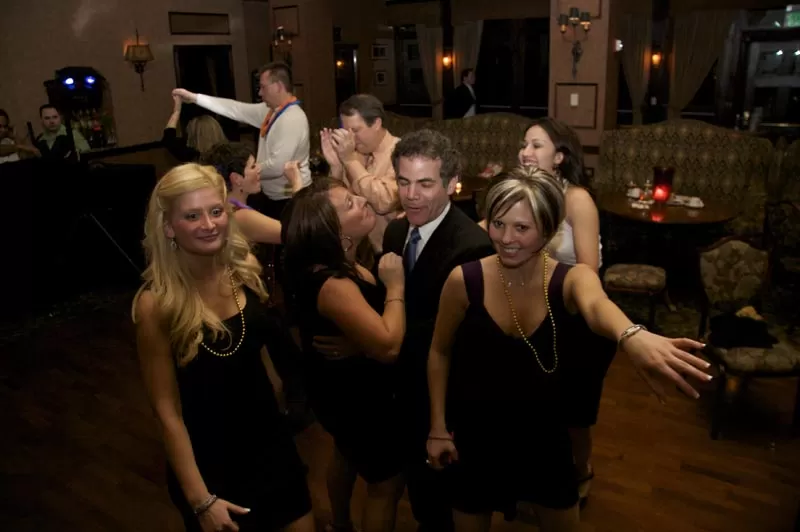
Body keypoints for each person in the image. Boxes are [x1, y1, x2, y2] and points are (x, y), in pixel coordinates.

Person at [426, 167, 711, 532]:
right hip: (477, 436)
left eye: (522, 228)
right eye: (498, 224)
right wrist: (437, 427)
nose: (506, 239)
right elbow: (439, 352)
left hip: (544, 439)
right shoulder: (463, 280)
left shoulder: (571, 278)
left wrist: (631, 334)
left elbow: (596, 305)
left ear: (549, 230)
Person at [132, 163, 315, 532]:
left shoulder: (243, 269)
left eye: (216, 211)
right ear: (169, 227)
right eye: (192, 216)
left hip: (271, 446)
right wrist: (200, 500)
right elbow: (167, 412)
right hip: (212, 464)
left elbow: (260, 353)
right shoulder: (156, 305)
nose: (209, 224)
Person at [281, 177, 406, 532]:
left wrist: (360, 340)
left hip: (337, 389)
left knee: (345, 453)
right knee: (386, 484)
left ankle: (339, 523)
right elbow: (388, 346)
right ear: (332, 233)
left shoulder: (334, 263)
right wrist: (396, 287)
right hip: (357, 397)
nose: (362, 200)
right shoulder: (334, 284)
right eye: (350, 203)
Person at [385, 129, 494, 531]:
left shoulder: (472, 247)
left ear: (451, 184)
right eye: (403, 182)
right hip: (404, 391)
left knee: (449, 499)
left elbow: (466, 346)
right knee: (421, 495)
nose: (411, 195)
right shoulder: (396, 232)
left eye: (425, 184)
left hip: (449, 398)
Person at [173, 62, 311, 221]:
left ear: (278, 86)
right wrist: (195, 98)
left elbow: (277, 167)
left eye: (263, 87)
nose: (260, 92)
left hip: (288, 197)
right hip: (271, 195)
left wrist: (245, 173)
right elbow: (235, 109)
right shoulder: (271, 111)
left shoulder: (292, 118)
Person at [320, 94, 401, 253]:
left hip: (388, 252)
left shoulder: (401, 152)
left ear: (376, 123)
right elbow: (335, 207)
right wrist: (336, 168)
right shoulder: (351, 152)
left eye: (356, 130)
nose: (351, 138)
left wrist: (350, 161)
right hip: (355, 248)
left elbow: (383, 203)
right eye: (346, 131)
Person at [199, 142, 304, 245]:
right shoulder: (242, 216)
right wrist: (296, 181)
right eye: (253, 166)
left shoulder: (228, 207)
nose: (259, 168)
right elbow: (299, 233)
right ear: (236, 179)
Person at [163, 94, 227, 162]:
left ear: (193, 135)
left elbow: (168, 139)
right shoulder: (229, 154)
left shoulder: (192, 156)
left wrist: (176, 112)